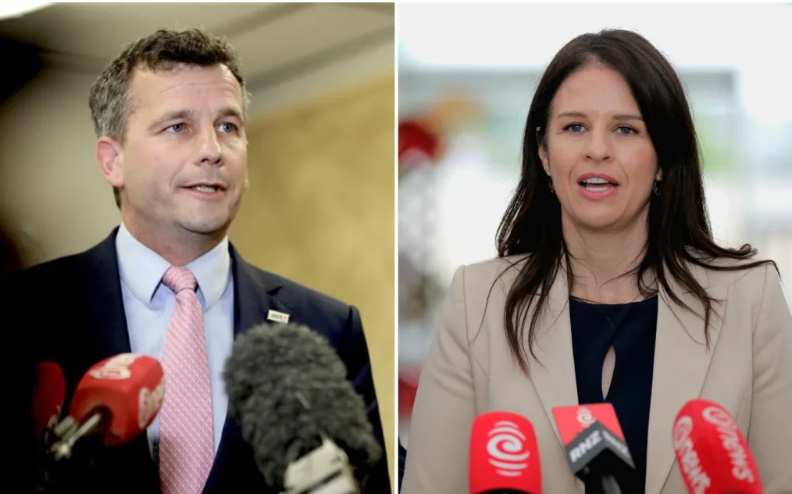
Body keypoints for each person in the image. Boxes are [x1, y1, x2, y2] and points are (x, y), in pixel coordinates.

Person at [401, 29, 792, 494]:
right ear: (544, 153)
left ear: (665, 158)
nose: (598, 149)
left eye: (625, 129)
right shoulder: (477, 301)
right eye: (574, 127)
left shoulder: (749, 298)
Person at [7, 28, 390, 494]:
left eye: (228, 126)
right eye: (179, 127)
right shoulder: (21, 310)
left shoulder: (327, 328)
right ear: (113, 161)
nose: (212, 150)